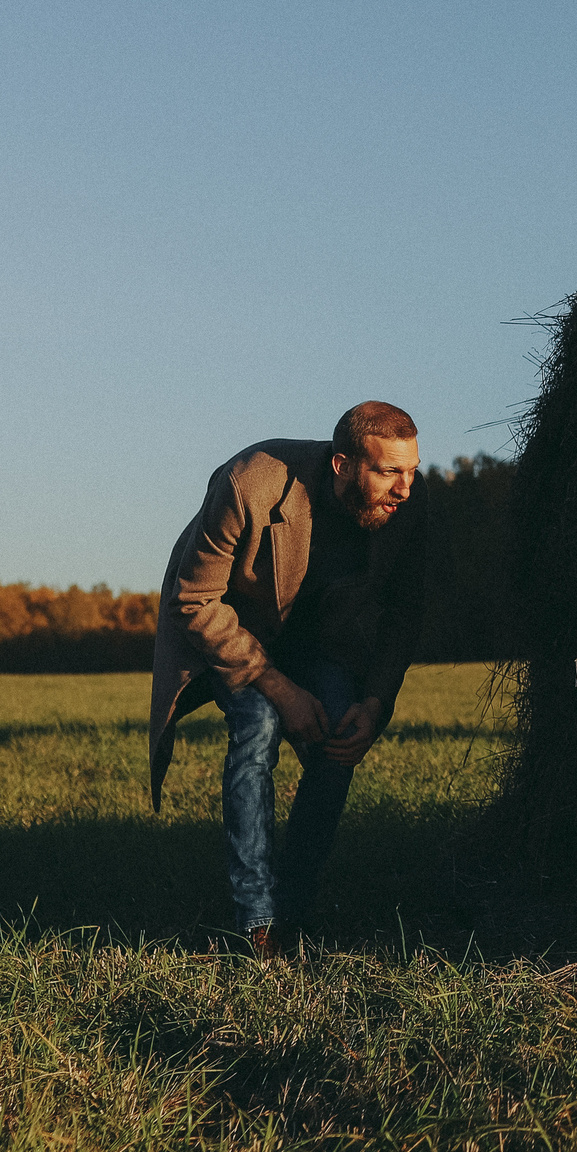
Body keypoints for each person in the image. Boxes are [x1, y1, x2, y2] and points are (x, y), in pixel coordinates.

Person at [149, 401, 430, 957]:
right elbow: (194, 599)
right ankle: (257, 922)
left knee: (341, 737)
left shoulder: (408, 501)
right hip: (238, 632)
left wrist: (376, 701)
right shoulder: (249, 483)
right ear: (342, 464)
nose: (404, 487)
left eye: (412, 469)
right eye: (388, 471)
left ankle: (295, 910)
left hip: (323, 640)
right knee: (257, 729)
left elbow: (405, 612)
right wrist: (279, 688)